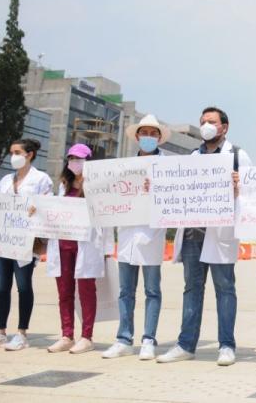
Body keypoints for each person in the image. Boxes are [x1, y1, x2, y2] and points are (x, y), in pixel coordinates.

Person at [158, 107, 251, 367]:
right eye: (203, 122)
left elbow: (253, 192)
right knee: (191, 289)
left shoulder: (237, 155)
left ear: (224, 127)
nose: (206, 126)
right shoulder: (192, 156)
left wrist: (238, 187)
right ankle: (186, 344)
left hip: (220, 234)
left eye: (211, 122)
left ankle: (226, 345)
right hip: (192, 234)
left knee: (225, 289)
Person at [102, 115, 170, 360]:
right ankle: (123, 338)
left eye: (153, 133)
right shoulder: (123, 167)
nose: (149, 137)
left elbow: (173, 201)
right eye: (145, 133)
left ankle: (149, 339)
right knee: (125, 291)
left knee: (152, 290)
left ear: (159, 138)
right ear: (137, 136)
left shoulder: (168, 166)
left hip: (152, 235)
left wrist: (158, 189)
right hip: (128, 233)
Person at [0, 138, 54, 351]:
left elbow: (48, 206)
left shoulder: (41, 179)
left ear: (29, 154)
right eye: (11, 152)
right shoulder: (5, 180)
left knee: (23, 286)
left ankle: (21, 333)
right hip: (4, 240)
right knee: (1, 287)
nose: (13, 157)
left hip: (26, 242)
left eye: (17, 152)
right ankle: (0, 332)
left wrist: (36, 210)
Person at [45, 144, 113, 354]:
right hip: (63, 244)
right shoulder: (63, 186)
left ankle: (86, 336)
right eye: (72, 158)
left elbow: (107, 215)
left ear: (89, 161)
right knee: (64, 291)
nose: (75, 162)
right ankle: (66, 335)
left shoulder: (97, 185)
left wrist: (107, 248)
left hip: (86, 244)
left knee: (86, 291)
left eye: (80, 158)